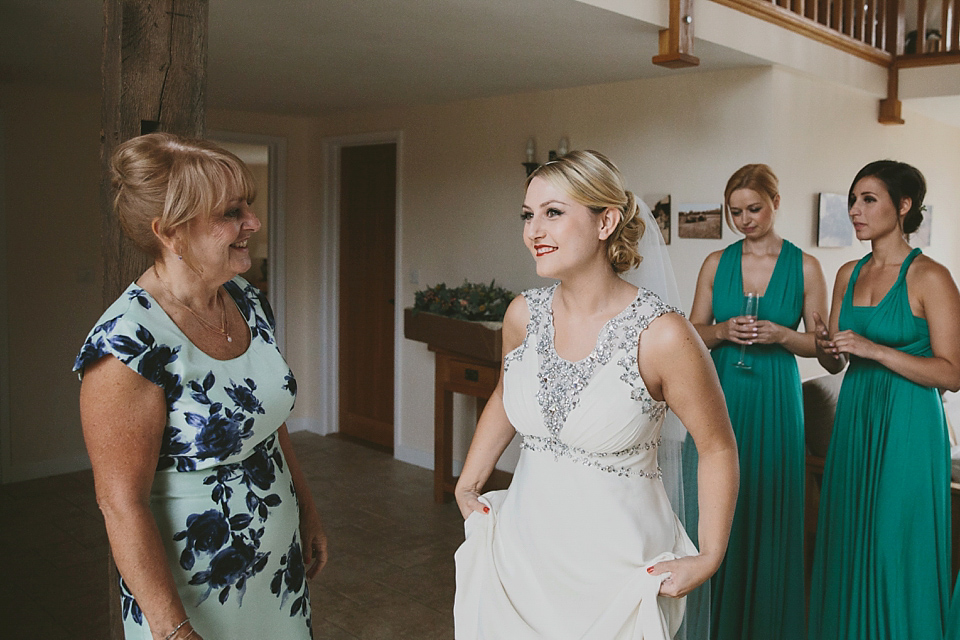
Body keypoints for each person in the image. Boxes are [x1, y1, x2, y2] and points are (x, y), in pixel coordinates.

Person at [453, 150, 739, 639]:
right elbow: (506, 392)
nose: (533, 231)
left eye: (553, 213)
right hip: (521, 560)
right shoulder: (523, 314)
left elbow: (717, 447)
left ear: (606, 221)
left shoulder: (663, 334)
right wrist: (468, 481)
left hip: (615, 574)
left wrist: (709, 555)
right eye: (528, 215)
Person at [74, 133, 327, 640]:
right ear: (170, 232)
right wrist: (174, 631)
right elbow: (121, 504)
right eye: (231, 212)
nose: (252, 223)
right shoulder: (128, 343)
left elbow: (267, 423)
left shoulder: (248, 301)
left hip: (276, 576)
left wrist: (306, 508)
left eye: (247, 207)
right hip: (195, 594)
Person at [809, 160, 960, 640]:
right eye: (852, 199)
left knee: (896, 543)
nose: (855, 210)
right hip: (856, 418)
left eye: (868, 199)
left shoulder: (931, 277)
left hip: (910, 425)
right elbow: (837, 363)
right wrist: (824, 347)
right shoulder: (847, 273)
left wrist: (875, 349)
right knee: (850, 539)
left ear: (904, 206)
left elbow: (953, 374)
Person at [686, 164, 827, 640]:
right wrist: (723, 331)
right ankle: (713, 619)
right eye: (735, 212)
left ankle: (764, 624)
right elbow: (692, 335)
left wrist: (786, 335)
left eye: (754, 209)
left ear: (775, 203)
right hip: (721, 390)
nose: (745, 220)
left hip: (776, 396)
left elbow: (823, 348)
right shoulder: (715, 263)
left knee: (767, 498)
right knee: (717, 498)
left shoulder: (805, 266)